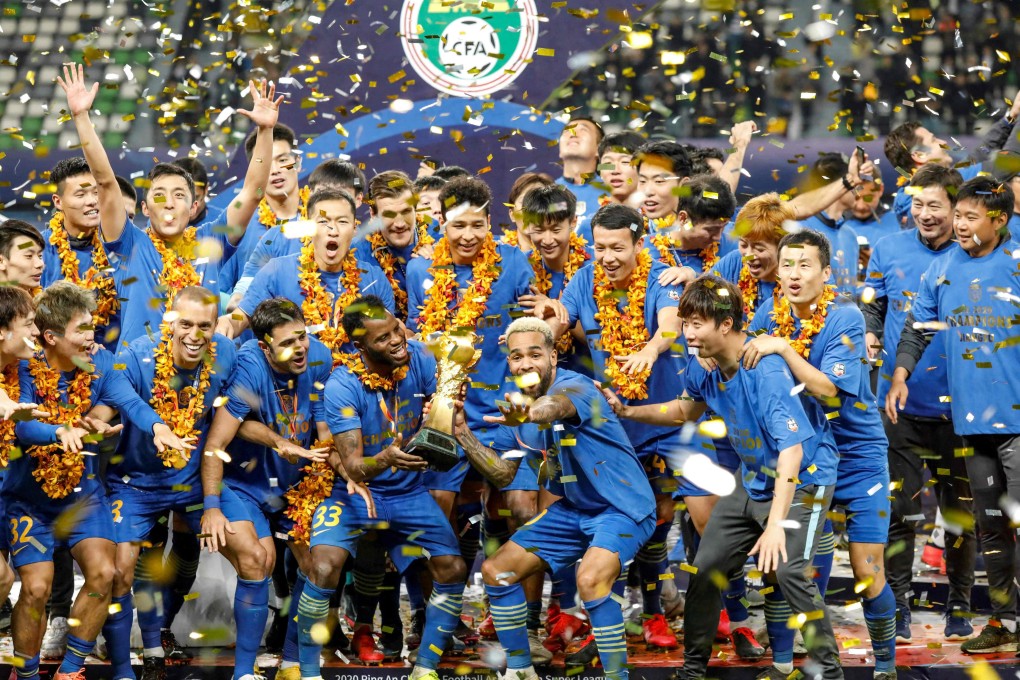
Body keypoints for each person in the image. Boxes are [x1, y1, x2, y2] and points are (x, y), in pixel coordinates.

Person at [605, 275, 844, 680]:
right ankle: (693, 671)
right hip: (753, 477)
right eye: (685, 323)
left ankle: (832, 673)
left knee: (788, 572)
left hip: (804, 479)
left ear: (726, 325)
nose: (688, 334)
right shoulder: (706, 366)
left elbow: (792, 451)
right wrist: (628, 412)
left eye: (696, 324)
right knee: (706, 566)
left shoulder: (766, 371)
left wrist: (773, 526)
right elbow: (684, 411)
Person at [455, 317, 656, 680]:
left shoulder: (575, 386)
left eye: (535, 353)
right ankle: (520, 672)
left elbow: (556, 407)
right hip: (575, 509)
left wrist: (531, 413)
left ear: (552, 354)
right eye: (517, 357)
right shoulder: (517, 407)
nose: (526, 363)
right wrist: (462, 434)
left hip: (623, 508)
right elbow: (502, 473)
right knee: (496, 571)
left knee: (591, 579)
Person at [9, 281, 188, 680]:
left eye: (93, 326)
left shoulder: (102, 362)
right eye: (82, 330)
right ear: (51, 337)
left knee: (105, 574)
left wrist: (157, 426)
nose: (92, 337)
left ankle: (70, 672)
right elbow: (20, 428)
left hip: (83, 495)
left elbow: (129, 401)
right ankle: (25, 675)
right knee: (36, 589)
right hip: (26, 498)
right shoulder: (21, 364)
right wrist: (58, 431)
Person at [743, 229, 896, 677]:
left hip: (859, 455)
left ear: (825, 273)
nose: (793, 274)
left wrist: (784, 347)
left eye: (804, 265)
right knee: (792, 567)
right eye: (786, 264)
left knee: (869, 572)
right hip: (805, 456)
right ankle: (786, 664)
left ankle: (885, 669)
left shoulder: (846, 317)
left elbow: (829, 390)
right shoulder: (764, 314)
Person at [294, 296, 468, 680]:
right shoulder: (342, 386)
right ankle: (306, 671)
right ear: (360, 346)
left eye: (396, 329)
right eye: (383, 337)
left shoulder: (419, 358)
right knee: (322, 567)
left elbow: (446, 414)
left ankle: (425, 667)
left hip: (409, 494)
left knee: (453, 568)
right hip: (355, 494)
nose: (396, 340)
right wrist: (386, 459)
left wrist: (444, 417)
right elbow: (354, 467)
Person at [96, 286, 264, 680]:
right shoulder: (137, 354)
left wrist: (211, 504)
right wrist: (104, 423)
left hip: (192, 480)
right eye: (185, 324)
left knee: (254, 558)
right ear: (169, 322)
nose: (195, 335)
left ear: (215, 326)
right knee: (120, 570)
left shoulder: (225, 352)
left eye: (204, 326)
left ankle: (244, 673)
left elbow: (232, 417)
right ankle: (124, 670)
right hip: (134, 485)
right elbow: (116, 397)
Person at [539, 202, 683, 651]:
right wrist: (544, 327)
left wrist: (651, 351)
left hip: (663, 417)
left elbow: (671, 325)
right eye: (600, 247)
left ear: (639, 244)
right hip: (613, 423)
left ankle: (657, 613)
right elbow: (564, 321)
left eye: (617, 247)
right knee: (612, 519)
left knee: (661, 517)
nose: (608, 257)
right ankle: (603, 616)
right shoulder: (584, 278)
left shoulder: (660, 276)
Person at [58, 63, 281, 344]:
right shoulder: (129, 245)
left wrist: (264, 131)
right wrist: (80, 117)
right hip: (143, 376)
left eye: (179, 195)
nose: (169, 203)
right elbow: (104, 182)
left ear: (193, 208)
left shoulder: (212, 239)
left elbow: (252, 192)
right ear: (146, 209)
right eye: (159, 195)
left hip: (204, 369)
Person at [201, 297, 361, 677]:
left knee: (315, 563)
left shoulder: (320, 357)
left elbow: (324, 434)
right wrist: (277, 441)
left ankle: (291, 662)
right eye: (288, 343)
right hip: (244, 486)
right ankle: (244, 672)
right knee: (259, 561)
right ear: (264, 345)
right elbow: (217, 442)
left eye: (302, 336)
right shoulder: (248, 366)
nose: (300, 348)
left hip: (296, 486)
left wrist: (347, 471)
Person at [893, 175, 1020, 654]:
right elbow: (916, 327)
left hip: (1018, 426)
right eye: (959, 215)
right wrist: (902, 373)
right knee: (991, 528)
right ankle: (1005, 622)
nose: (959, 225)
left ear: (1000, 219)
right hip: (972, 428)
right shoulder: (942, 269)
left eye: (970, 217)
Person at [862, 164, 976, 642]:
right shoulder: (888, 247)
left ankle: (960, 607)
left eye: (935, 205)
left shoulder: (975, 255)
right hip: (899, 408)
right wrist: (870, 333)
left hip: (963, 409)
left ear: (956, 209)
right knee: (900, 515)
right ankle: (900, 607)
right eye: (917, 204)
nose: (924, 214)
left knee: (960, 517)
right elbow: (874, 301)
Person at [405, 176, 534, 522]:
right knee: (436, 509)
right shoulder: (420, 268)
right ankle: (449, 576)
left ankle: (502, 571)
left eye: (477, 225)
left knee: (519, 508)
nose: (468, 235)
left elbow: (534, 328)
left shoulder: (513, 262)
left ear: (490, 223)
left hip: (504, 409)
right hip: (444, 412)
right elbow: (417, 339)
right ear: (442, 223)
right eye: (458, 225)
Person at [219, 188, 395, 363]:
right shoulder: (276, 271)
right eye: (323, 222)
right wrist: (228, 322)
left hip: (356, 383)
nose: (333, 230)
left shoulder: (373, 278)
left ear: (355, 228)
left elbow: (391, 332)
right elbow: (242, 317)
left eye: (342, 222)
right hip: (294, 383)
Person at [232, 159, 369, 304]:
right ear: (310, 195)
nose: (330, 203)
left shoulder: (369, 247)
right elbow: (244, 292)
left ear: (358, 199)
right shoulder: (279, 235)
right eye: (322, 193)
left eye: (341, 195)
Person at [41, 156, 120, 348]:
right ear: (58, 201)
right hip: (52, 369)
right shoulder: (39, 251)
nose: (92, 201)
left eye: (96, 192)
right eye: (81, 194)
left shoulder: (118, 247)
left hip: (112, 364)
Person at [220, 122, 304, 296]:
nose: (274, 170)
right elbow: (219, 290)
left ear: (297, 163)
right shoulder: (241, 225)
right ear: (255, 172)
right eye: (265, 164)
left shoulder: (321, 221)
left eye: (283, 160)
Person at [355, 170, 435, 322]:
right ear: (373, 214)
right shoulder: (357, 254)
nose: (399, 224)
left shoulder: (440, 238)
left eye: (406, 211)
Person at [795, 154, 864, 296]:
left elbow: (850, 289)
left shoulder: (850, 235)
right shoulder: (799, 231)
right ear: (837, 186)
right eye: (854, 185)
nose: (860, 190)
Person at [556, 113, 604, 241]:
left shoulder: (615, 192)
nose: (573, 134)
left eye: (583, 130)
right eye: (567, 131)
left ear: (599, 149)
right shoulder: (546, 193)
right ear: (560, 150)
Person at [501, 172, 554, 253]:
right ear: (512, 214)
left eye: (538, 201)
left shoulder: (571, 255)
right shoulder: (498, 256)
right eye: (524, 202)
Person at [173, 157, 225, 230]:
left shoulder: (224, 223)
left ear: (206, 189)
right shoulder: (156, 222)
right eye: (181, 197)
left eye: (195, 198)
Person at [597, 131, 645, 208]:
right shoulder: (591, 219)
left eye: (625, 162)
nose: (615, 171)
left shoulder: (661, 217)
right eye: (607, 163)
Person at [0, 220, 44, 291]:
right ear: (1, 261)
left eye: (40, 256)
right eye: (29, 256)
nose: (40, 264)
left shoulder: (41, 299)